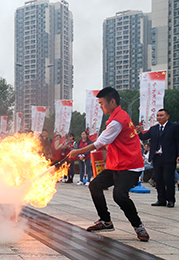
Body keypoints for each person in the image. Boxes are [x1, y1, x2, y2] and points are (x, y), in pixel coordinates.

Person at [69, 87, 149, 242]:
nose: (100, 106)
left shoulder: (118, 121)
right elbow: (109, 142)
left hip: (130, 166)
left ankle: (139, 227)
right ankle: (105, 221)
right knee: (95, 185)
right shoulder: (117, 116)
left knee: (120, 196)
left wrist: (77, 151)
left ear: (112, 102)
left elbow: (99, 143)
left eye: (101, 103)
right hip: (116, 165)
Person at [137, 108, 179, 208]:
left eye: (161, 115)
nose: (159, 117)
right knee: (158, 179)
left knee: (168, 179)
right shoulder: (154, 129)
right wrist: (139, 132)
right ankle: (161, 199)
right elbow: (143, 137)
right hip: (156, 157)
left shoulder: (174, 127)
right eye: (157, 115)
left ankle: (171, 200)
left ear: (167, 116)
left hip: (169, 157)